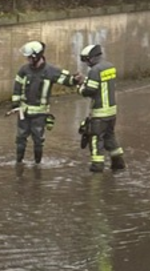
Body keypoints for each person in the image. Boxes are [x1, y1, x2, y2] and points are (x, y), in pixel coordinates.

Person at [10, 40, 78, 164]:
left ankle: (37, 164)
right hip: (23, 113)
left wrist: (75, 80)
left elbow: (67, 80)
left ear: (37, 56)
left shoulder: (50, 71)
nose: (28, 60)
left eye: (30, 57)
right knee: (20, 138)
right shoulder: (24, 70)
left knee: (38, 139)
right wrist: (15, 103)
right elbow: (17, 87)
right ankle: (19, 162)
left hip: (40, 114)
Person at [77, 44, 124, 172]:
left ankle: (97, 167)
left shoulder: (95, 70)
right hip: (111, 111)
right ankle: (118, 163)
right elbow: (101, 83)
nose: (86, 63)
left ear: (92, 58)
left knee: (95, 139)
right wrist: (84, 80)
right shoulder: (109, 67)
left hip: (99, 112)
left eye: (86, 60)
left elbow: (90, 91)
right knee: (110, 136)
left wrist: (80, 88)